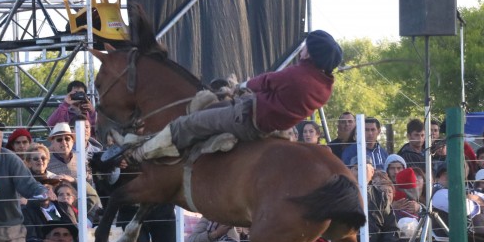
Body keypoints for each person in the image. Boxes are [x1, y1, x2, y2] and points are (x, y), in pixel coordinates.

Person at [140, 30, 343, 159]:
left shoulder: (296, 75)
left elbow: (264, 82)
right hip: (269, 125)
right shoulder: (325, 88)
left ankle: (141, 153)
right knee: (213, 109)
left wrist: (239, 86)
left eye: (305, 47)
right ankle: (216, 141)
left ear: (310, 54)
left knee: (189, 122)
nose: (302, 50)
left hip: (247, 117)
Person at [46, 122, 102, 217]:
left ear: (72, 141)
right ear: (53, 143)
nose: (64, 142)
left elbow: (91, 187)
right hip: (56, 211)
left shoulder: (82, 160)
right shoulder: (46, 162)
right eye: (59, 139)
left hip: (83, 210)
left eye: (67, 138)